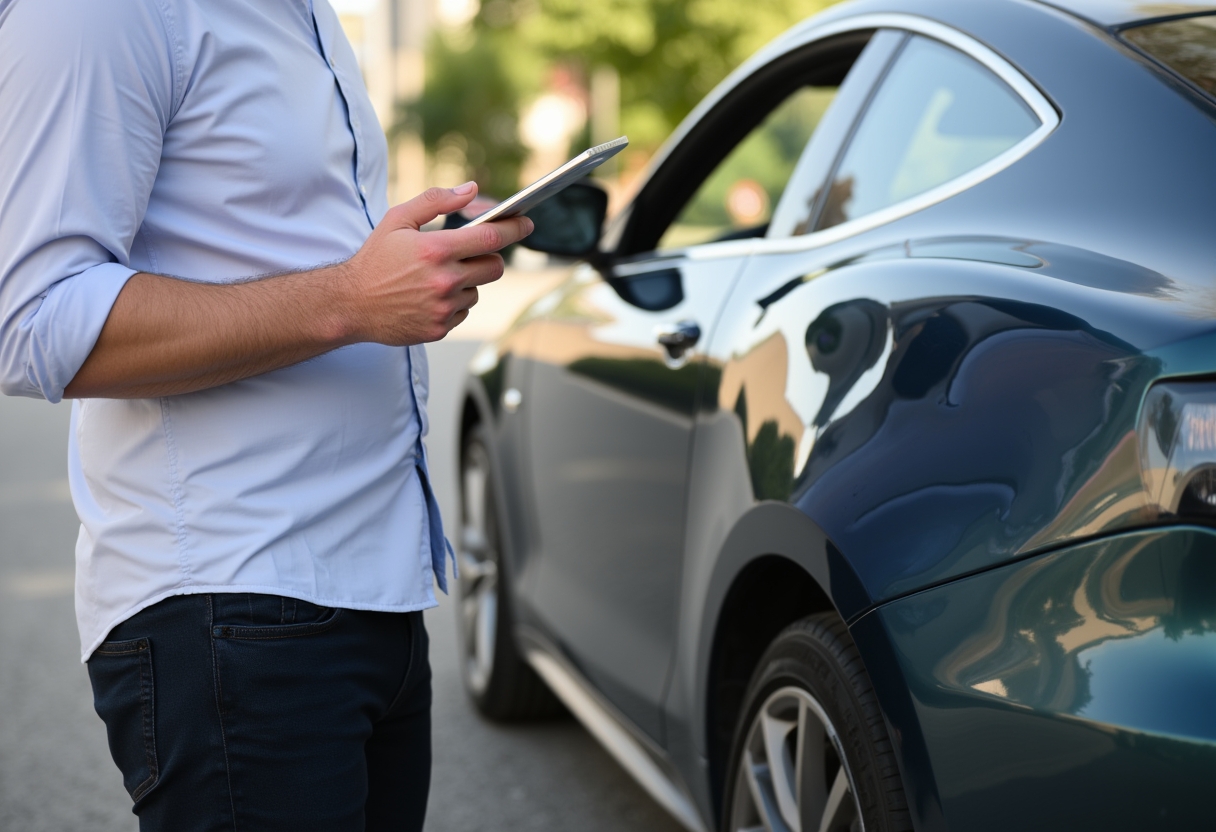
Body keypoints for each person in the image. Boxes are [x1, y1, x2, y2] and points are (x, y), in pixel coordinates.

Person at [0, 0, 531, 829]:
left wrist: (408, 262)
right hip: (231, 606)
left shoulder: (302, 11)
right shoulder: (96, 13)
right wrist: (350, 299)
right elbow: (33, 324)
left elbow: (272, 239)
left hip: (378, 590)